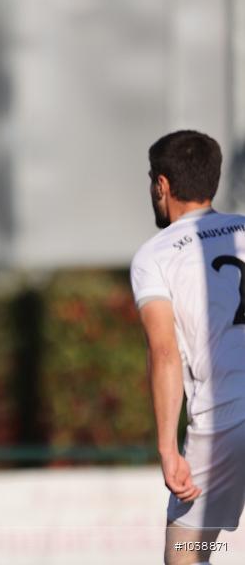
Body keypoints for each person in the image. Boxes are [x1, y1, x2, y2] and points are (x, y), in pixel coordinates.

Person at [130, 130, 245, 565]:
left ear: (162, 185)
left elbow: (164, 352)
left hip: (224, 426)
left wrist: (167, 446)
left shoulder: (155, 254)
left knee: (186, 556)